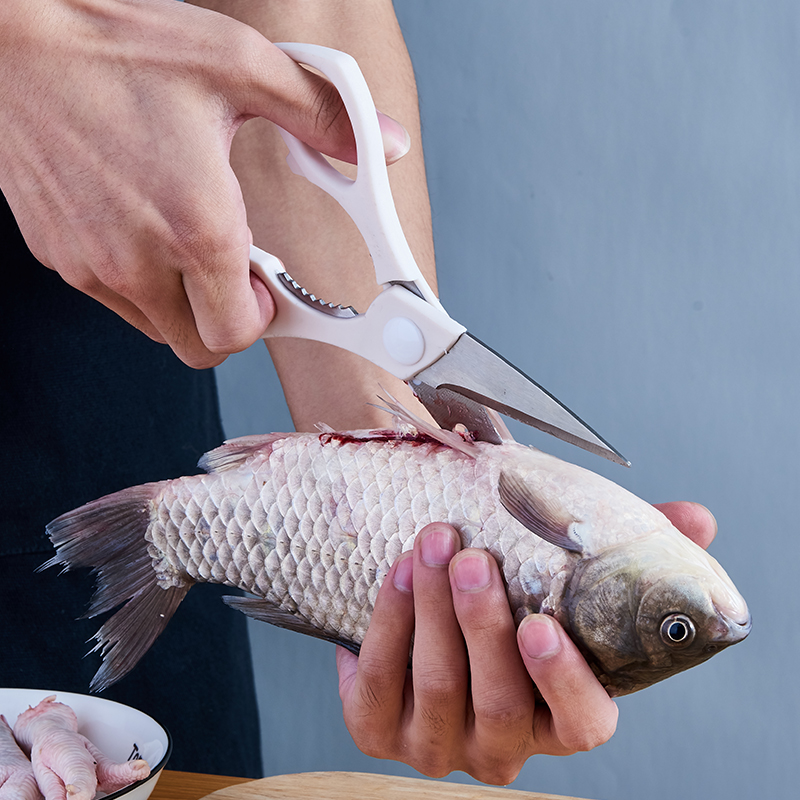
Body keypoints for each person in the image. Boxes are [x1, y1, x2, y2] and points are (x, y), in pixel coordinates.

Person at [0, 0, 717, 785]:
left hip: (103, 297)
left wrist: (373, 479)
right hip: (82, 149)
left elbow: (299, 14)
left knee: (118, 758)